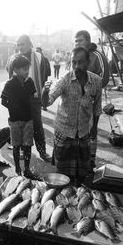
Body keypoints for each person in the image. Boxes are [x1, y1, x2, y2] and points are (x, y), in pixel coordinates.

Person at [41, 47, 102, 186]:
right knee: (62, 173)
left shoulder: (96, 81)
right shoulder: (65, 80)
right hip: (64, 132)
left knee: (82, 172)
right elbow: (47, 102)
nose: (76, 66)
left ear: (88, 61)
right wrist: (45, 92)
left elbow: (97, 107)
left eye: (80, 62)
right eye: (73, 62)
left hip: (83, 132)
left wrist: (95, 128)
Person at [6, 35, 52, 162]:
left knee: (37, 125)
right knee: (20, 126)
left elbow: (43, 75)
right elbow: (9, 73)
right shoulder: (12, 58)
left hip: (34, 97)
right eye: (18, 44)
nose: (20, 47)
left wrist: (40, 92)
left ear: (29, 43)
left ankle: (42, 152)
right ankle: (22, 151)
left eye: (22, 44)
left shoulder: (38, 56)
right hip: (18, 100)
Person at [75, 30, 109, 171]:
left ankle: (91, 161)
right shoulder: (76, 55)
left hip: (92, 100)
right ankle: (79, 160)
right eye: (76, 41)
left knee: (91, 132)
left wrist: (91, 89)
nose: (77, 43)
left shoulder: (97, 55)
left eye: (80, 40)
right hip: (76, 100)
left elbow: (105, 77)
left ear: (88, 41)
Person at [1, 55, 36, 178]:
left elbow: (32, 99)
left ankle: (26, 169)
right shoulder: (10, 84)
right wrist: (13, 109)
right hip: (15, 120)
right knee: (16, 145)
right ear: (16, 70)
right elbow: (3, 100)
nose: (27, 72)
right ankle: (17, 168)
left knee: (27, 145)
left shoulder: (30, 82)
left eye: (27, 69)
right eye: (24, 69)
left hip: (28, 120)